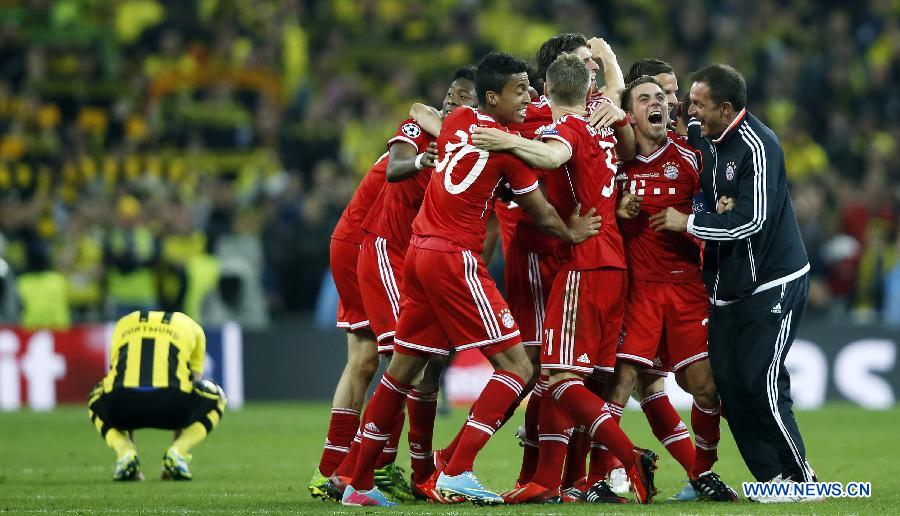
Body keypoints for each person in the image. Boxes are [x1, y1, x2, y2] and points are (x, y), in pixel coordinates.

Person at [340, 51, 600, 507]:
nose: (530, 96)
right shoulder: (508, 153)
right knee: (519, 368)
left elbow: (427, 114)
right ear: (494, 96)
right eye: (520, 89)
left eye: (531, 88)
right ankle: (457, 470)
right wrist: (574, 230)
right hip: (454, 257)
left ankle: (357, 483)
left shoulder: (459, 118)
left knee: (401, 372)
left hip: (419, 253)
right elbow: (541, 215)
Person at [471, 53, 657, 505]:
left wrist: (501, 139)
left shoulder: (569, 128)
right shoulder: (603, 125)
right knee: (569, 376)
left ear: (547, 89)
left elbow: (553, 154)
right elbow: (614, 103)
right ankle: (551, 483)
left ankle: (628, 456)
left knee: (557, 377)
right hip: (614, 264)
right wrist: (609, 61)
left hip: (584, 262)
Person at [650, 64, 818, 501]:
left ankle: (801, 478)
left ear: (726, 109)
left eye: (699, 104)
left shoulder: (757, 146)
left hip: (772, 280)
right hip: (726, 287)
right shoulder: (702, 137)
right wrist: (712, 210)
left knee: (760, 379)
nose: (689, 110)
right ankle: (772, 480)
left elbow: (752, 220)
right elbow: (709, 193)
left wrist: (688, 221)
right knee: (728, 381)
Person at [605, 75, 737, 502]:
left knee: (706, 388)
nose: (657, 104)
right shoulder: (615, 165)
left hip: (686, 289)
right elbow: (595, 219)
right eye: (645, 99)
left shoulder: (691, 157)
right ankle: (604, 479)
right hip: (637, 291)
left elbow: (720, 203)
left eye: (661, 98)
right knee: (620, 386)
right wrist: (619, 214)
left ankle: (702, 474)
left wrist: (718, 207)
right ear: (630, 114)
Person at [309, 89, 444, 499]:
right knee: (402, 358)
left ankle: (335, 469)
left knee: (365, 360)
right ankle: (367, 468)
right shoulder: (428, 132)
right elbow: (417, 113)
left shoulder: (450, 134)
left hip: (363, 240)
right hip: (365, 242)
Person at [352, 65, 477, 502]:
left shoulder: (472, 148)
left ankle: (421, 471)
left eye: (461, 97)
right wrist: (424, 158)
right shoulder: (418, 130)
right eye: (449, 93)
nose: (449, 101)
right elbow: (396, 167)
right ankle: (358, 473)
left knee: (430, 369)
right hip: (390, 252)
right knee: (402, 366)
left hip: (430, 263)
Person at [87, 310, 226, 481]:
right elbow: (192, 383)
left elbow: (118, 379)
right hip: (172, 405)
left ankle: (125, 454)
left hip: (123, 406)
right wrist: (175, 451)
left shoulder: (124, 323)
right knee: (217, 396)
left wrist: (132, 454)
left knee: (95, 396)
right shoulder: (193, 327)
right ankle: (178, 453)